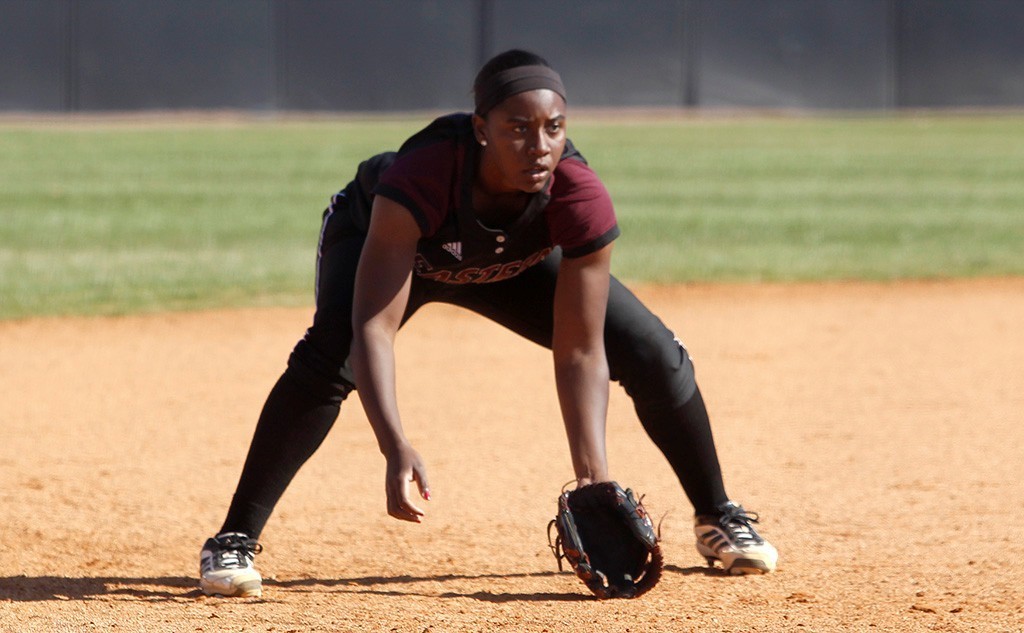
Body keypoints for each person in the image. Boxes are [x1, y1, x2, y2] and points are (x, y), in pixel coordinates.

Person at [198, 49, 778, 598]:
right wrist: (394, 445)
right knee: (331, 355)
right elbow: (375, 326)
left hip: (516, 265)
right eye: (517, 128)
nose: (539, 145)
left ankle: (717, 515)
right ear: (481, 129)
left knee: (650, 351)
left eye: (554, 127)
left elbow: (580, 350)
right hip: (408, 255)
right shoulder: (424, 173)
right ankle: (232, 542)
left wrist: (593, 480)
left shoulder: (578, 196)